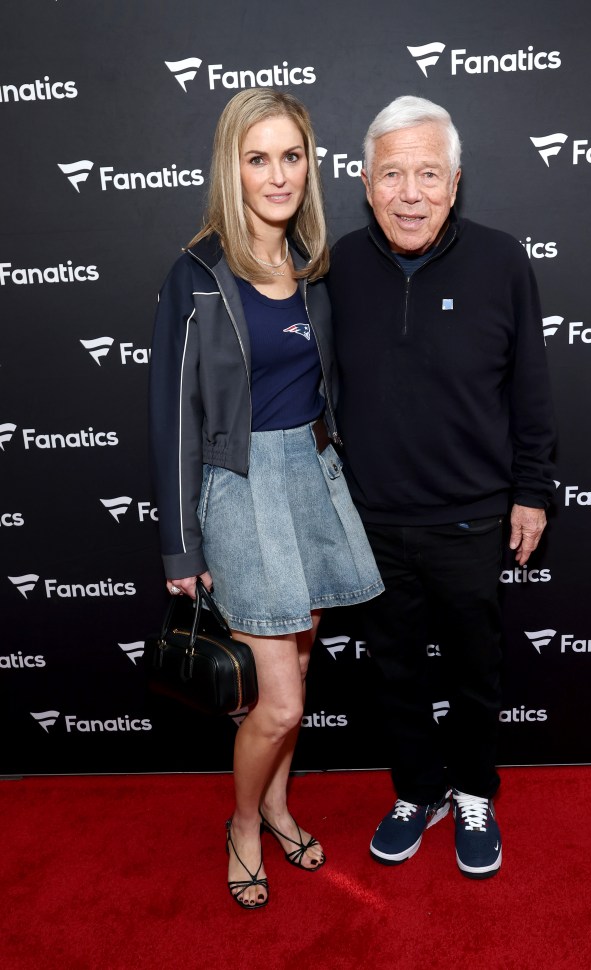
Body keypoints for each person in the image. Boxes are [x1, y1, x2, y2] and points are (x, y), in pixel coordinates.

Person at [148, 89, 384, 910]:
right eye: (258, 158)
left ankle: (281, 803)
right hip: (239, 490)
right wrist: (182, 547)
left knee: (304, 665)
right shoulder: (199, 275)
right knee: (277, 701)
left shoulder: (315, 264)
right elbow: (172, 412)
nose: (278, 175)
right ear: (232, 168)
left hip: (311, 482)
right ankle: (245, 821)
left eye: (292, 156)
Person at [327, 95, 555, 879]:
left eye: (428, 173)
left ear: (455, 182)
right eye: (393, 174)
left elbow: (530, 386)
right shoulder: (337, 267)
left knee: (472, 671)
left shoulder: (501, 260)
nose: (410, 192)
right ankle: (415, 791)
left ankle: (473, 793)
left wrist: (532, 490)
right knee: (393, 671)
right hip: (370, 522)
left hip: (469, 519)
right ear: (365, 182)